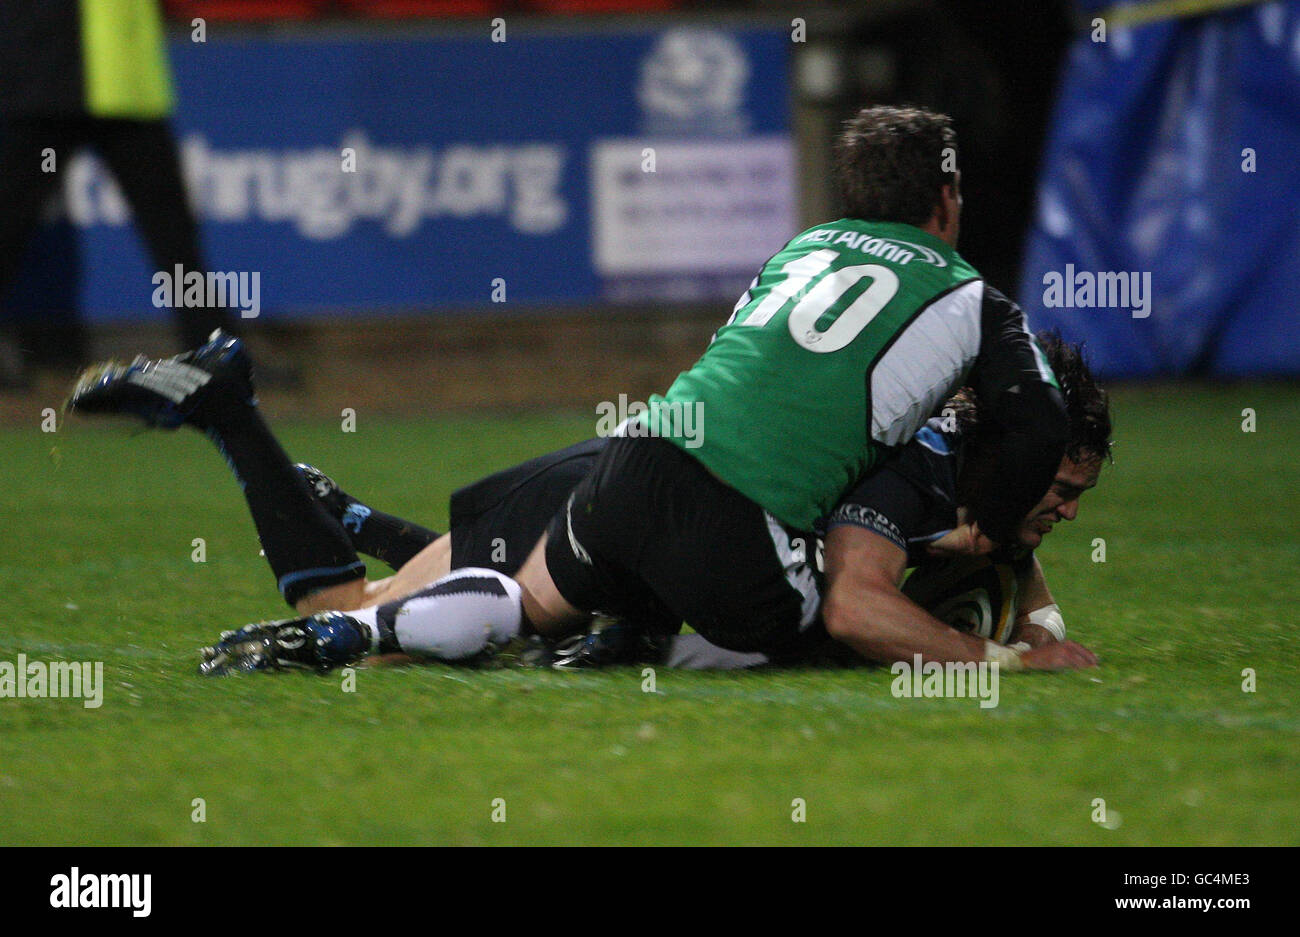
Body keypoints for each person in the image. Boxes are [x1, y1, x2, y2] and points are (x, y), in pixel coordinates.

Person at [69, 105, 1073, 674]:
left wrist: (1023, 594)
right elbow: (890, 567)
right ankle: (250, 429)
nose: (1059, 508)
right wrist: (1016, 614)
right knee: (385, 611)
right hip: (700, 508)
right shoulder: (961, 344)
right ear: (946, 202)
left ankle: (327, 497)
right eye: (1062, 496)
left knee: (519, 609)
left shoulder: (807, 251)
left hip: (634, 460)